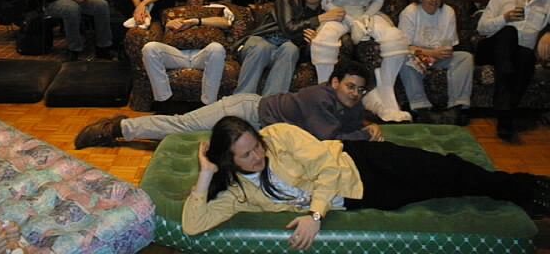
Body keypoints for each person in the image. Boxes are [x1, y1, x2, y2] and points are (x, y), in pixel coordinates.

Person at [181, 116, 550, 246]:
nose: (258, 156)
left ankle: (527, 187)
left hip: (359, 160)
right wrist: (206, 174)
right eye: (246, 155)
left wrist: (316, 215)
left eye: (256, 146)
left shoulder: (278, 135)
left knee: (445, 168)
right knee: (440, 186)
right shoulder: (238, 192)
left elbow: (328, 169)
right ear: (228, 160)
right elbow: (193, 225)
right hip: (361, 194)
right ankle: (521, 189)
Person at [74, 60, 383, 149]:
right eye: (350, 86)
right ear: (334, 83)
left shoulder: (348, 101)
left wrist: (366, 126)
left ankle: (126, 127)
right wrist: (364, 134)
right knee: (180, 126)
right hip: (245, 112)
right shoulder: (319, 97)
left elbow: (352, 123)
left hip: (257, 127)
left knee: (189, 136)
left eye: (360, 89)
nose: (355, 93)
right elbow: (327, 137)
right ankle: (116, 128)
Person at [477, 0, 550, 141]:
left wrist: (548, 33)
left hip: (520, 54)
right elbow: (481, 27)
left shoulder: (548, 1)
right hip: (492, 47)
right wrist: (505, 18)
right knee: (509, 32)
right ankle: (507, 72)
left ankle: (505, 117)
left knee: (525, 56)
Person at [234, 0, 340, 97]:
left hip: (283, 53)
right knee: (261, 47)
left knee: (291, 49)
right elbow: (288, 28)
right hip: (262, 41)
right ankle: (241, 98)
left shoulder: (326, 10)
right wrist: (318, 19)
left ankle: (272, 103)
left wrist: (314, 44)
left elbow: (305, 52)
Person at [141, 0, 234, 106]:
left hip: (203, 55)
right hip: (177, 55)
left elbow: (226, 23)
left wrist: (196, 21)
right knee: (149, 48)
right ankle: (163, 101)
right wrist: (168, 24)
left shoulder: (216, 8)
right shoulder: (173, 12)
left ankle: (208, 104)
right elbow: (161, 27)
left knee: (217, 48)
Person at [398, 0, 473, 124]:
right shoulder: (410, 12)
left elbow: (449, 44)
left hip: (440, 56)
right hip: (417, 56)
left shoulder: (448, 11)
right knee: (404, 59)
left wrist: (440, 54)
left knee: (465, 58)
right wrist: (431, 53)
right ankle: (421, 108)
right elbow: (404, 46)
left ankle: (457, 107)